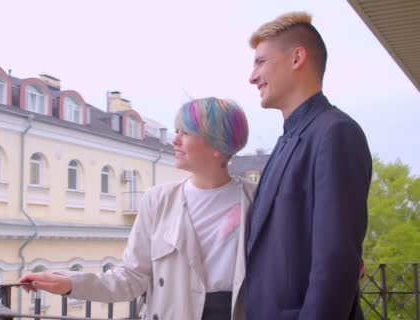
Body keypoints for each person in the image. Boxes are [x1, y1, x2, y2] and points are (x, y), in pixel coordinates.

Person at [20, 97, 254, 320]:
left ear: (218, 146)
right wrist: (70, 283)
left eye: (186, 132)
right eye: (177, 131)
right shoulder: (159, 200)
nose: (175, 140)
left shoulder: (255, 199)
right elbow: (132, 277)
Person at [243, 12, 372, 320]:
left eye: (260, 62)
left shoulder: (336, 133)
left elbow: (337, 261)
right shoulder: (287, 140)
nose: (252, 76)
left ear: (297, 57)